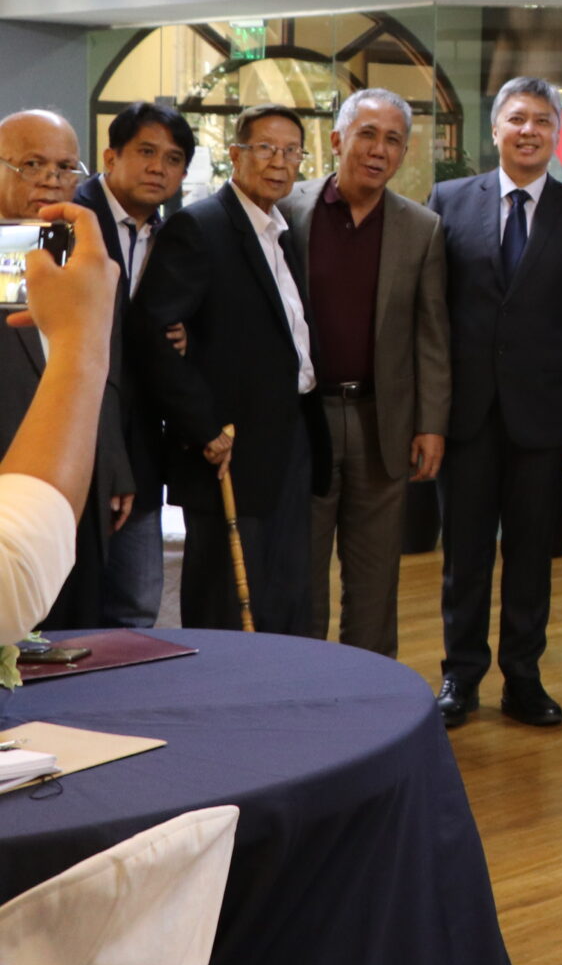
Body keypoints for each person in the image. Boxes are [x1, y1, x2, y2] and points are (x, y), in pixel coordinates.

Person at [428, 76, 562, 730]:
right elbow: (432, 313)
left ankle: (523, 677)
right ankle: (460, 675)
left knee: (532, 555)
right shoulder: (449, 200)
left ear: (556, 131)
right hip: (467, 416)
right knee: (465, 556)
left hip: (547, 418)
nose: (529, 130)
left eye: (541, 119)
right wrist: (429, 414)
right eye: (517, 118)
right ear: (495, 129)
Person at [131, 104, 330, 635]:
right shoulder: (200, 227)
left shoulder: (282, 230)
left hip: (289, 436)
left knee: (285, 592)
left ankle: (284, 684)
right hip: (227, 448)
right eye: (265, 148)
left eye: (291, 151)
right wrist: (204, 430)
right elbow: (151, 334)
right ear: (236, 155)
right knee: (227, 602)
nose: (279, 162)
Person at [281, 90, 450, 657]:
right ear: (337, 140)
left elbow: (432, 336)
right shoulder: (288, 212)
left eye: (393, 140)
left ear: (404, 153)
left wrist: (431, 424)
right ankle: (301, 683)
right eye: (368, 135)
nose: (379, 150)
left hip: (383, 422)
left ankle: (370, 691)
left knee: (376, 579)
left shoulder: (421, 228)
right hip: (305, 421)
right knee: (301, 571)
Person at [1, 110, 131, 632]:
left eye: (64, 167)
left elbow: (106, 368)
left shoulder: (88, 253)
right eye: (33, 164)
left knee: (78, 628)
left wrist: (114, 459)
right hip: (12, 480)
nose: (51, 180)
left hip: (81, 471)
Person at [74, 100, 191, 628]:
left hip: (140, 442)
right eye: (146, 152)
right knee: (68, 605)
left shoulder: (171, 234)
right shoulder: (70, 219)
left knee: (139, 603)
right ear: (110, 156)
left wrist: (184, 335)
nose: (157, 168)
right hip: (75, 439)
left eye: (173, 159)